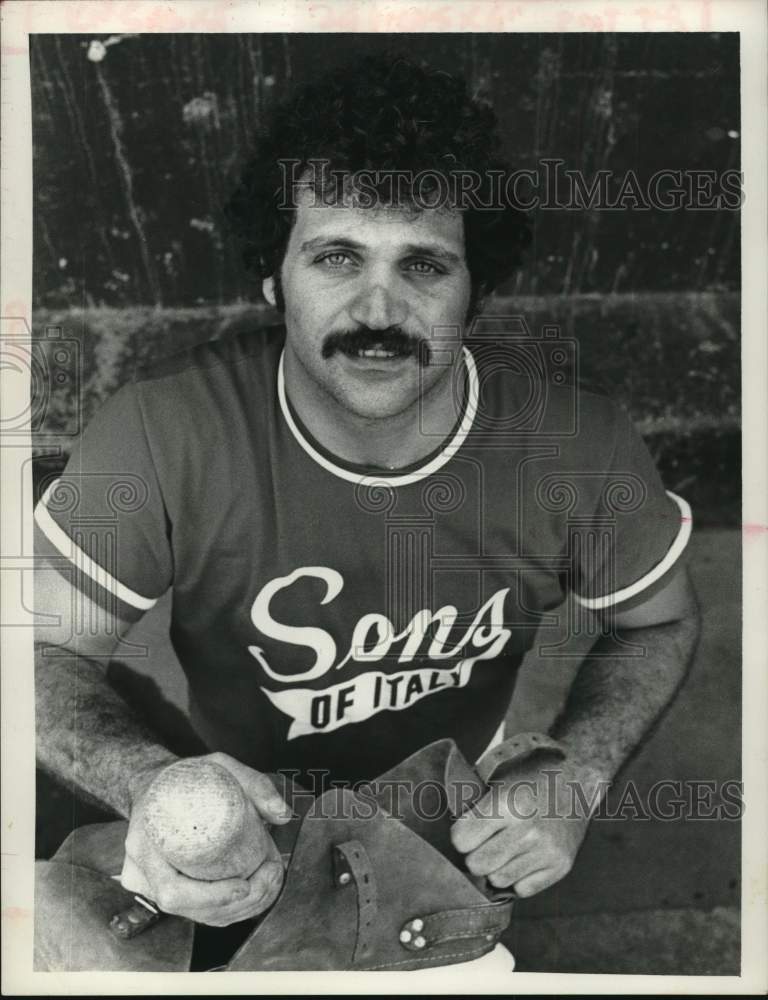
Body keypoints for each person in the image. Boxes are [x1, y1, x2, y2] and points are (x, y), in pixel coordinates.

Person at [33, 55, 701, 963]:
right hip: (236, 787)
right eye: (336, 257)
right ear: (272, 280)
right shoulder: (161, 431)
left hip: (449, 804)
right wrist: (146, 779)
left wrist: (574, 776)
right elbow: (37, 654)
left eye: (425, 265)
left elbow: (656, 624)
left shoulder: (577, 445)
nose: (379, 308)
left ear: (476, 291)